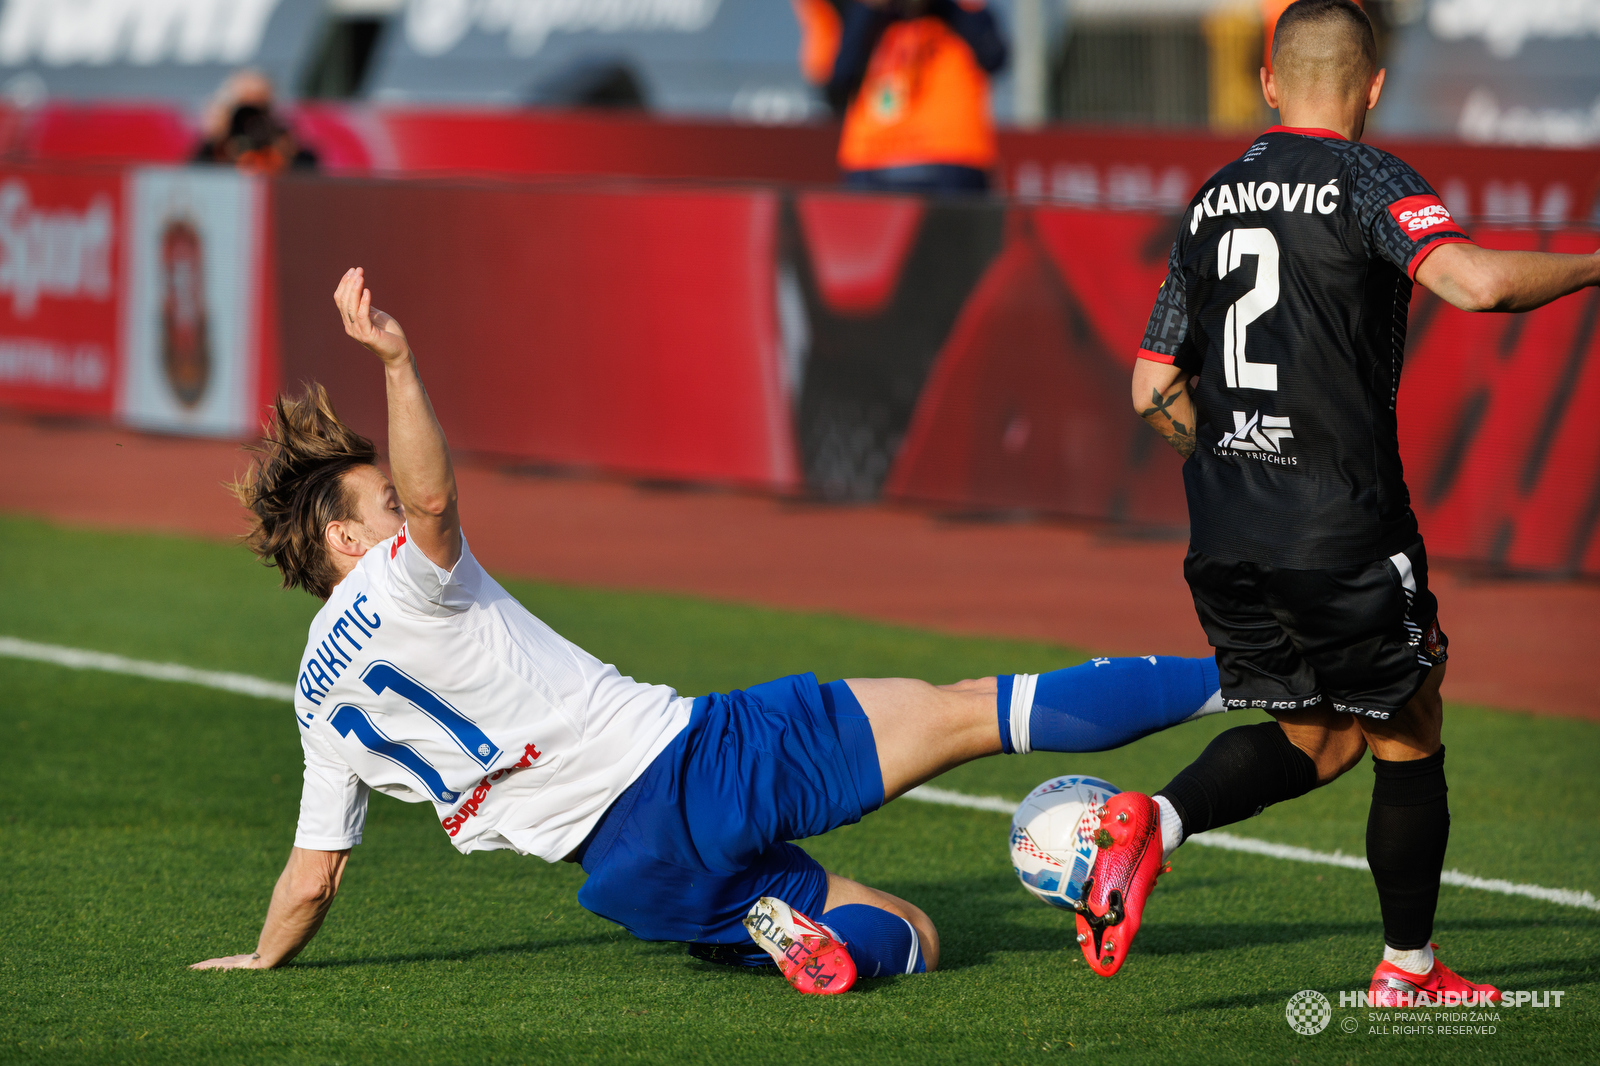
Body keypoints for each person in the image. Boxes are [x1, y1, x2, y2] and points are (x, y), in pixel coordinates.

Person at [190, 268, 1231, 994]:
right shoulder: (396, 579)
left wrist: (262, 956)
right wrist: (399, 362)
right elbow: (431, 508)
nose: (390, 513)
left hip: (630, 873)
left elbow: (314, 872)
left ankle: (799, 937)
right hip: (695, 762)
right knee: (976, 711)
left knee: (908, 932)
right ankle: (1249, 677)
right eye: (369, 503)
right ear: (337, 538)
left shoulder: (317, 696)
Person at [1077, 0, 1600, 1004]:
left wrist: (1233, 451)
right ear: (1372, 87)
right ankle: (1407, 970)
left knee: (1318, 735)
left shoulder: (1211, 198)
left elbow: (1150, 387)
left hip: (1226, 530)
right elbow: (1478, 284)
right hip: (1339, 526)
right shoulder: (1367, 177)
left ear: (1268, 83)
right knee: (1410, 725)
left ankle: (1155, 818)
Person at [818, 0, 1007, 195]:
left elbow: (994, 57)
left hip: (950, 154)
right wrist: (871, 10)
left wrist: (942, 7)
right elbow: (838, 84)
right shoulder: (869, 15)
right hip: (872, 157)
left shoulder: (963, 10)